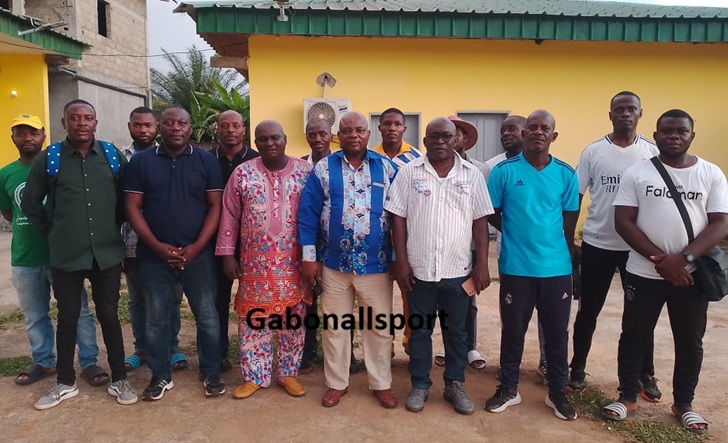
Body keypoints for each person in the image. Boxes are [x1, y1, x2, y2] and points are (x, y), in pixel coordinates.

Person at [606, 109, 728, 435]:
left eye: (681, 131)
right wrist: (662, 261)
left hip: (692, 275)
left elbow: (720, 223)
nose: (674, 136)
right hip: (643, 272)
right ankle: (627, 396)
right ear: (656, 135)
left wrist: (684, 258)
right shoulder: (638, 173)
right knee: (634, 335)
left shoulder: (711, 173)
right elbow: (623, 221)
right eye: (667, 131)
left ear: (692, 136)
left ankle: (683, 404)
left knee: (690, 341)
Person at [22, 100, 137, 409]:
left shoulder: (111, 156)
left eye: (88, 118)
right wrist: (54, 229)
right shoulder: (50, 158)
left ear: (95, 123)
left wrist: (112, 225)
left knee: (109, 316)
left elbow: (125, 198)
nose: (81, 123)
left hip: (106, 253)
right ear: (64, 122)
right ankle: (65, 382)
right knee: (68, 317)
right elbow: (31, 202)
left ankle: (119, 378)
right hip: (66, 254)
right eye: (74, 118)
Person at [387, 117, 493, 415]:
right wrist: (401, 262)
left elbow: (480, 222)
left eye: (447, 136)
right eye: (434, 136)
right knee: (420, 331)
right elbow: (398, 219)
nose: (440, 141)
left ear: (455, 139)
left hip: (457, 271)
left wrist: (481, 265)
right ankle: (420, 384)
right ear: (425, 141)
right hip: (419, 271)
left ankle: (454, 384)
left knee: (456, 332)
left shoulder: (472, 175)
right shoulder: (409, 173)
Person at [298, 111, 398, 409]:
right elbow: (308, 214)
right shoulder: (323, 169)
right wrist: (309, 258)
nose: (353, 135)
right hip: (334, 264)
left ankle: (381, 383)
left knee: (379, 326)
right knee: (335, 326)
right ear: (337, 136)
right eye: (347, 131)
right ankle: (336, 383)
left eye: (359, 130)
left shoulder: (387, 168)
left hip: (376, 264)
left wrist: (398, 256)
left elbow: (400, 215)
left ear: (369, 134)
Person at [125, 106, 225, 401]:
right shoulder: (141, 162)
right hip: (153, 256)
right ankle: (160, 375)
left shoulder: (206, 161)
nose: (176, 127)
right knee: (155, 319)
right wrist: (157, 246)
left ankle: (211, 371)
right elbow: (132, 207)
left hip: (199, 255)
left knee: (207, 316)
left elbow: (215, 206)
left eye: (182, 123)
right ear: (160, 127)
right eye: (169, 122)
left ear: (190, 129)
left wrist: (196, 247)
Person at [485, 110, 579, 421]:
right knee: (513, 331)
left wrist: (571, 265)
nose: (538, 132)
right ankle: (508, 388)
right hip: (516, 268)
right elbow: (491, 212)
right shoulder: (504, 172)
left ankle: (557, 392)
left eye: (545, 128)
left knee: (557, 334)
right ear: (524, 134)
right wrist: (516, 230)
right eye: (533, 128)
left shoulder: (566, 174)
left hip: (556, 270)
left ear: (554, 136)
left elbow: (569, 224)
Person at [569, 92, 660, 398]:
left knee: (640, 316)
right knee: (588, 311)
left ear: (640, 113)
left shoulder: (652, 151)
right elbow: (576, 196)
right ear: (610, 115)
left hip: (638, 248)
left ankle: (645, 374)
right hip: (598, 244)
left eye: (631, 109)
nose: (625, 114)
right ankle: (577, 368)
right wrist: (570, 241)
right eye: (619, 109)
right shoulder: (594, 151)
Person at [1, 114, 102, 387]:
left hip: (65, 256)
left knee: (79, 311)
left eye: (33, 132)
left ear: (43, 135)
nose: (27, 138)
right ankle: (44, 361)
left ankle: (89, 362)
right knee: (35, 314)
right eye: (21, 133)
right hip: (26, 256)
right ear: (13, 138)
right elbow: (10, 212)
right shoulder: (5, 174)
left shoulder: (59, 164)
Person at [216, 120, 312, 399]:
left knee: (292, 321)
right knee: (254, 320)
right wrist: (227, 254)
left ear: (285, 139)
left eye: (275, 138)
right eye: (263, 139)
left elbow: (315, 216)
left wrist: (312, 257)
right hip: (253, 264)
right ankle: (255, 376)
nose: (269, 143)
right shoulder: (242, 173)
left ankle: (288, 373)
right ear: (255, 143)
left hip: (293, 264)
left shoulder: (305, 172)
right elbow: (229, 215)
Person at [120, 107, 187, 372]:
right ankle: (141, 348)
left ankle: (172, 347)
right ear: (129, 127)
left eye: (148, 125)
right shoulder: (119, 157)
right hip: (131, 243)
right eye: (137, 125)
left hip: (165, 245)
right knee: (137, 299)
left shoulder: (167, 156)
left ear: (156, 127)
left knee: (171, 298)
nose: (143, 130)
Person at [486, 115, 550, 384]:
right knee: (512, 316)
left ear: (524, 132)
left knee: (549, 316)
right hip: (512, 255)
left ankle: (547, 362)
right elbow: (489, 209)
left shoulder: (554, 168)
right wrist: (513, 229)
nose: (505, 134)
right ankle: (509, 366)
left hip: (547, 258)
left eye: (511, 129)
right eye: (502, 130)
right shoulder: (494, 167)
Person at [432, 115, 487, 371]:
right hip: (438, 247)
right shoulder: (431, 166)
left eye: (457, 134)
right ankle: (448, 345)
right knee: (442, 299)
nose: (451, 139)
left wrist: (482, 261)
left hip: (470, 248)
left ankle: (469, 346)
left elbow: (482, 214)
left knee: (467, 299)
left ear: (462, 139)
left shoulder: (479, 170)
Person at [209, 110, 260, 372]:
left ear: (243, 130)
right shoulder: (207, 160)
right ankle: (219, 353)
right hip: (216, 243)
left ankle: (255, 352)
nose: (230, 130)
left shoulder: (256, 160)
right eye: (225, 125)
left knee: (254, 302)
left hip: (253, 245)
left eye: (236, 125)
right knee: (218, 300)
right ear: (217, 129)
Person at [371, 107, 422, 355]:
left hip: (408, 237)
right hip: (377, 238)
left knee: (410, 295)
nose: (392, 128)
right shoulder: (370, 157)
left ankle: (411, 343)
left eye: (397, 124)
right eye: (387, 124)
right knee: (378, 298)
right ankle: (384, 346)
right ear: (379, 127)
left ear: (404, 128)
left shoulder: (417, 159)